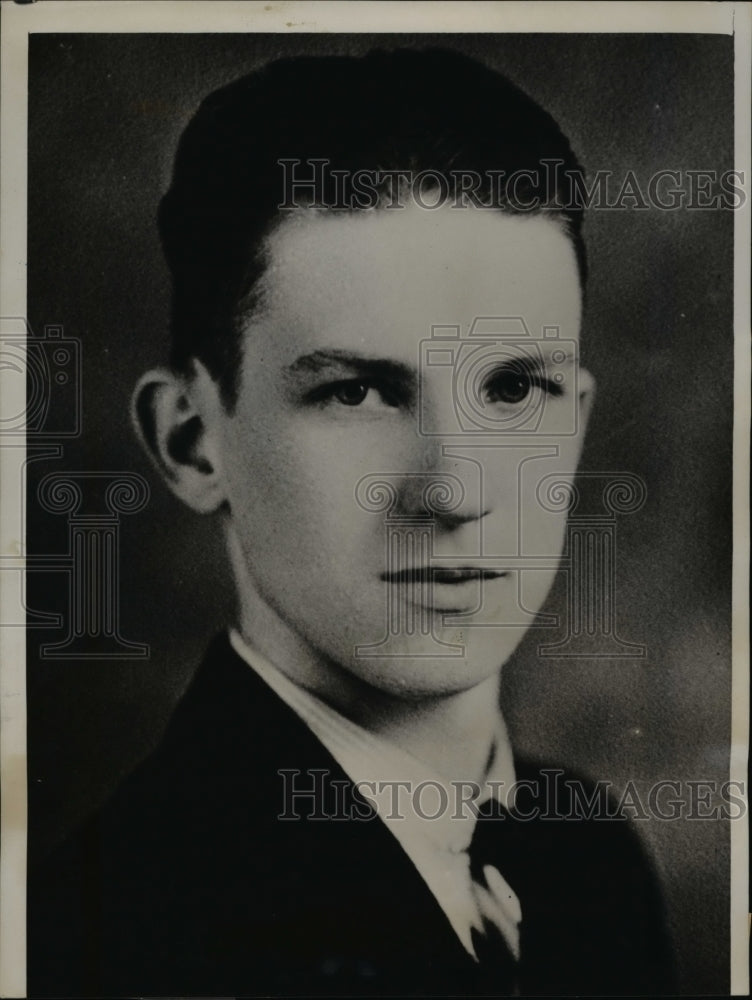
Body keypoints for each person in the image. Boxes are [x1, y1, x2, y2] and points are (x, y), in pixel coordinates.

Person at [28, 48, 676, 996]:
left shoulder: (589, 857)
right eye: (357, 391)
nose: (454, 491)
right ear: (193, 443)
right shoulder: (100, 939)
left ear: (575, 424)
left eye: (514, 389)